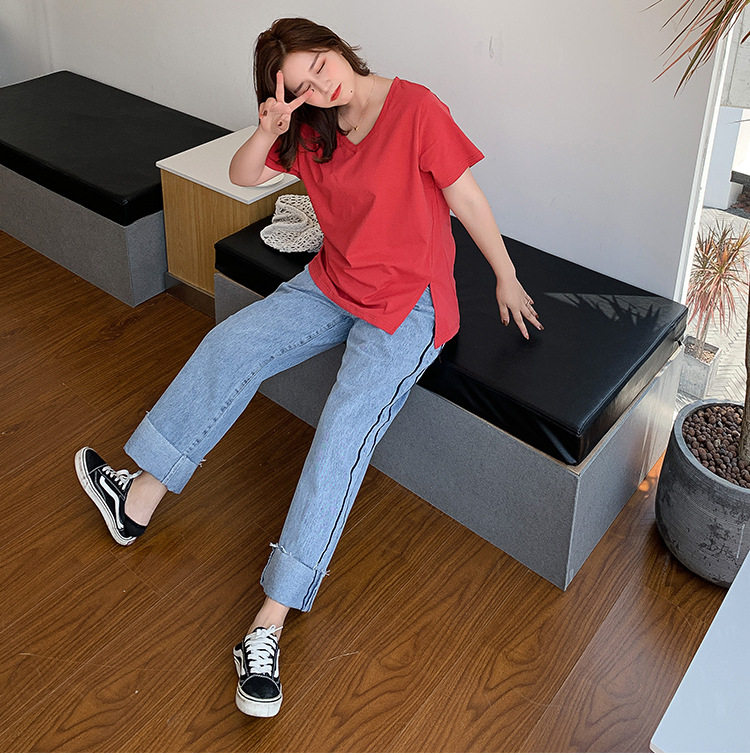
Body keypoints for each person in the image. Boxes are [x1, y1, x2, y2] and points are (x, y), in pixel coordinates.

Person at [74, 17, 543, 719]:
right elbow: (241, 176)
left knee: (341, 430)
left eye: (321, 65)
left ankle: (268, 623)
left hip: (408, 307)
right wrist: (267, 126)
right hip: (333, 282)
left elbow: (465, 196)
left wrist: (505, 275)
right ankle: (135, 500)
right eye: (301, 86)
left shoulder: (415, 108)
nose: (321, 85)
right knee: (231, 343)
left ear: (335, 46)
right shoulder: (310, 129)